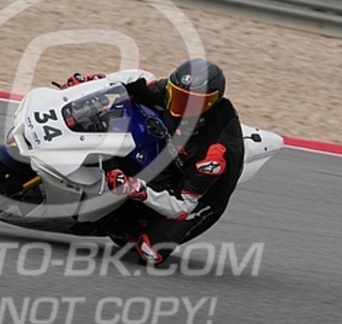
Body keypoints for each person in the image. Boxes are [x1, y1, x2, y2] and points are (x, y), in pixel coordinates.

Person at [62, 58, 245, 265]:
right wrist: (91, 83)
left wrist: (138, 190)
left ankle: (132, 223)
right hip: (174, 155)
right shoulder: (168, 93)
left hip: (198, 198)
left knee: (149, 253)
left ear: (210, 104)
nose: (182, 106)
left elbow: (182, 206)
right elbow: (135, 81)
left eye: (193, 103)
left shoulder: (213, 154)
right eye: (178, 96)